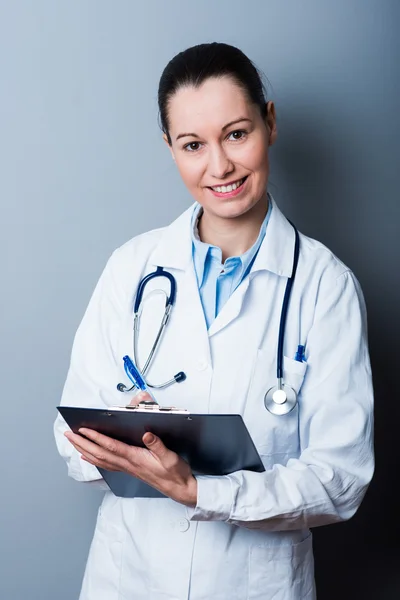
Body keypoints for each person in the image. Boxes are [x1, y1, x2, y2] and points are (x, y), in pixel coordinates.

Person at [54, 42, 374, 600]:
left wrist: (200, 491)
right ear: (169, 149)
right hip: (129, 577)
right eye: (192, 145)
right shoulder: (132, 267)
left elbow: (340, 479)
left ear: (269, 123)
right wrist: (122, 433)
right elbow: (68, 437)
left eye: (236, 134)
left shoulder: (325, 286)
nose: (219, 166)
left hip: (255, 584)